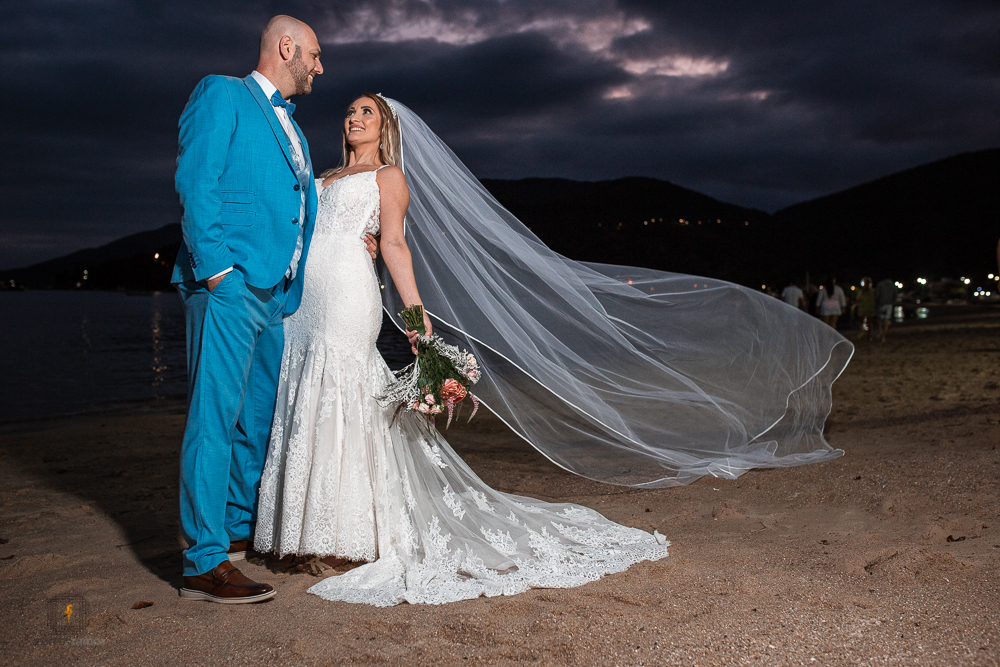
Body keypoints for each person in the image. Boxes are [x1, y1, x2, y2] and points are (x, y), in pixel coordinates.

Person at [253, 95, 853, 607]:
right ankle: (302, 530)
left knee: (342, 392)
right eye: (351, 110)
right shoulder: (322, 178)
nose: (354, 117)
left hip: (349, 297)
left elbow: (395, 249)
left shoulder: (389, 178)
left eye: (367, 112)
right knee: (305, 393)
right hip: (304, 301)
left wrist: (418, 325)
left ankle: (343, 535)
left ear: (385, 127)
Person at [171, 16, 377, 604]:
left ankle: (236, 533)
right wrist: (217, 271)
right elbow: (197, 182)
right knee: (214, 419)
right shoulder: (222, 95)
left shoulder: (295, 130)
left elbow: (298, 209)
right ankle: (203, 561)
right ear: (287, 47)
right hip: (229, 287)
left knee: (255, 421)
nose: (320, 67)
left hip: (276, 297)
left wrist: (350, 242)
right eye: (315, 54)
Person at [874, 277, 898, 342]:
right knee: (886, 321)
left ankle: (880, 332)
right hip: (889, 304)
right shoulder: (893, 286)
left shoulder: (880, 285)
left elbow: (877, 295)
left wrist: (876, 302)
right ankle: (883, 336)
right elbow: (895, 296)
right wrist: (892, 301)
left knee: (878, 319)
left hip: (881, 304)